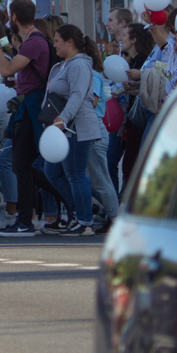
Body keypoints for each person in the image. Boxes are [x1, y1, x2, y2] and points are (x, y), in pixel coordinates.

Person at [0, 0, 59, 238]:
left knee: (22, 164)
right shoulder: (34, 40)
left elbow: (5, 69)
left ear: (13, 17)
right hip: (29, 105)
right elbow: (22, 73)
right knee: (27, 164)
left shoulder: (33, 41)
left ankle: (25, 221)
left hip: (31, 109)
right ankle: (64, 203)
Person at [44, 25, 105, 236]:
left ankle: (85, 221)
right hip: (63, 129)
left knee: (76, 174)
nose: (54, 45)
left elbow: (78, 96)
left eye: (57, 41)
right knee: (52, 172)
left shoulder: (79, 65)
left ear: (70, 41)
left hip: (77, 128)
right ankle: (81, 208)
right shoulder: (62, 65)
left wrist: (63, 118)